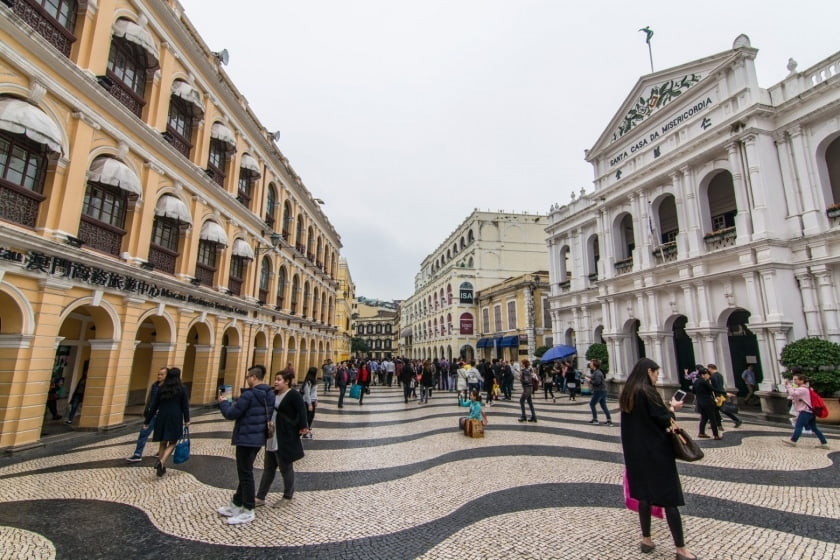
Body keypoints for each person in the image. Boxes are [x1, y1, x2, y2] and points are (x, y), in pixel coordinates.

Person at [620, 358, 697, 560]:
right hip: (656, 452)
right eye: (656, 373)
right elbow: (663, 418)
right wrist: (672, 408)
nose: (657, 377)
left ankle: (646, 539)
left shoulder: (628, 392)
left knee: (644, 497)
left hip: (635, 454)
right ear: (649, 372)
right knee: (669, 500)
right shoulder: (647, 391)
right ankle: (681, 549)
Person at [217, 365, 274, 525]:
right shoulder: (268, 394)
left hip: (246, 437)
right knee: (245, 471)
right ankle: (236, 504)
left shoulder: (249, 395)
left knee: (246, 473)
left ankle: (248, 509)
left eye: (248, 376)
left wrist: (223, 402)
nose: (247, 379)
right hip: (257, 437)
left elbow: (231, 414)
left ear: (254, 377)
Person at [256, 370, 309, 507]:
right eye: (275, 379)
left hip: (285, 436)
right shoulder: (272, 395)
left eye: (279, 379)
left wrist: (304, 426)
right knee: (268, 468)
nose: (275, 382)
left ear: (287, 381)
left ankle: (288, 495)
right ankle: (260, 497)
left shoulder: (293, 395)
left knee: (286, 468)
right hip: (272, 436)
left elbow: (302, 410)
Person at [143, 367, 190, 477]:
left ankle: (162, 467)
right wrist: (187, 420)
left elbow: (154, 406)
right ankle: (162, 461)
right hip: (175, 416)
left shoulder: (162, 388)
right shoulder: (182, 388)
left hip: (162, 416)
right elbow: (185, 406)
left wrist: (147, 421)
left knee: (163, 441)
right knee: (173, 442)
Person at [127, 367, 167, 462]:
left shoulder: (168, 387)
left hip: (162, 415)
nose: (159, 376)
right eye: (158, 374)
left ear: (167, 376)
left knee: (163, 434)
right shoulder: (155, 385)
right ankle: (137, 454)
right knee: (143, 432)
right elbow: (150, 399)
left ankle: (161, 451)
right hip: (152, 414)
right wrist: (147, 409)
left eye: (162, 374)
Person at [782, 369, 829, 449]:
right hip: (810, 412)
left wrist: (788, 385)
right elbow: (793, 396)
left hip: (805, 412)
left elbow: (793, 394)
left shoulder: (802, 389)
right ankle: (824, 443)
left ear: (802, 380)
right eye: (794, 379)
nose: (794, 381)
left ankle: (793, 441)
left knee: (799, 426)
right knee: (814, 428)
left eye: (796, 379)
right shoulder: (805, 389)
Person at [707, 363, 741, 428]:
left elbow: (717, 387)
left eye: (708, 369)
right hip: (721, 395)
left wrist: (718, 395)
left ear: (710, 368)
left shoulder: (713, 376)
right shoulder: (720, 375)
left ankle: (735, 420)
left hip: (718, 395)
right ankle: (718, 422)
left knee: (718, 409)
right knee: (717, 409)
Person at [692, 367, 721, 440]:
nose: (709, 376)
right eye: (707, 374)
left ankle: (701, 433)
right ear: (703, 375)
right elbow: (712, 389)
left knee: (704, 418)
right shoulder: (704, 382)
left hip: (700, 402)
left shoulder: (696, 381)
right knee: (712, 418)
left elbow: (693, 391)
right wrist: (725, 393)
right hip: (708, 402)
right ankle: (716, 435)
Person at [586, 359, 613, 425]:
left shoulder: (597, 372)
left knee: (592, 404)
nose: (590, 364)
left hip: (599, 391)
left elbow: (597, 382)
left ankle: (595, 419)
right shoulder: (596, 372)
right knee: (603, 405)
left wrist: (589, 380)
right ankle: (609, 420)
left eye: (591, 363)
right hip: (602, 390)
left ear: (594, 364)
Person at [300, 366, 318, 438]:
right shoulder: (308, 382)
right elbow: (307, 394)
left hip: (313, 401)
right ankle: (305, 432)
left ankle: (307, 430)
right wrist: (309, 404)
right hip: (308, 402)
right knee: (307, 417)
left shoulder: (313, 381)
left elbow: (315, 392)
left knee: (311, 417)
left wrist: (316, 400)